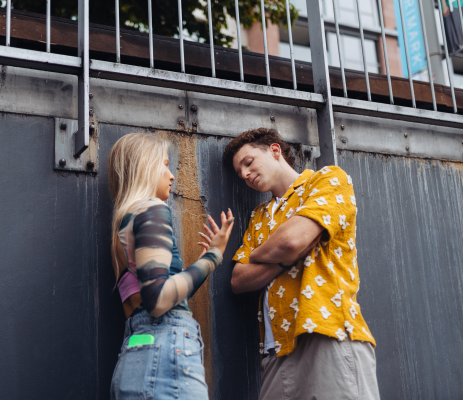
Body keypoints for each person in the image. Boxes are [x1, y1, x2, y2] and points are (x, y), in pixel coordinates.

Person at [224, 128, 380, 399]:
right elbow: (238, 280)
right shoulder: (258, 215)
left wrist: (262, 254)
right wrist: (284, 260)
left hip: (325, 331)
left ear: (274, 151)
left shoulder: (328, 179)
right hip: (276, 350)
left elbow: (291, 241)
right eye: (240, 173)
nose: (245, 175)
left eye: (248, 163)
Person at [108, 133, 234, 400]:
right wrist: (213, 257)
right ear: (145, 167)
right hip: (166, 356)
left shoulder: (121, 231)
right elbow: (160, 299)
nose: (171, 175)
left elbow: (149, 298)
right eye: (164, 164)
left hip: (136, 356)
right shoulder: (152, 209)